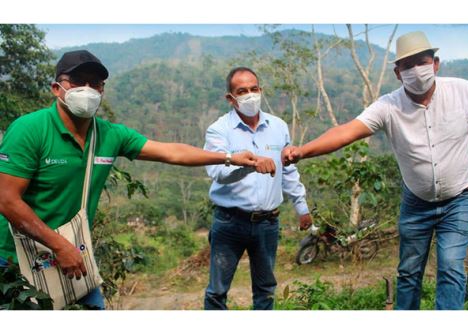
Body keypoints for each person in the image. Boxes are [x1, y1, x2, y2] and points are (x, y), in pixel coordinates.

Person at [0, 50, 273, 310]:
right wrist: (59, 246)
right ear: (56, 88)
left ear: (102, 90)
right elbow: (6, 199)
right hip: (16, 256)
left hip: (71, 251)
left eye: (95, 83)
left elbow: (171, 152)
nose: (87, 89)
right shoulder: (30, 130)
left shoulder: (108, 134)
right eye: (77, 81)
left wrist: (229, 158)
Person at [282, 31, 468, 310]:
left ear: (436, 63)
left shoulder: (463, 91)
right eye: (407, 66)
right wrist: (302, 150)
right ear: (398, 73)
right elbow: (346, 131)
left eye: (422, 61)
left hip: (459, 198)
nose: (416, 71)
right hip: (416, 203)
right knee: (408, 272)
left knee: (451, 269)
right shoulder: (388, 106)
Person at [203, 67, 312, 310]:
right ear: (230, 98)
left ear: (261, 90)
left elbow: (289, 169)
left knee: (265, 290)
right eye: (242, 91)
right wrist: (249, 165)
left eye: (254, 89)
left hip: (267, 223)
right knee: (217, 291)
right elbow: (217, 172)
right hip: (230, 222)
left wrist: (301, 206)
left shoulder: (278, 126)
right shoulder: (219, 130)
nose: (250, 95)